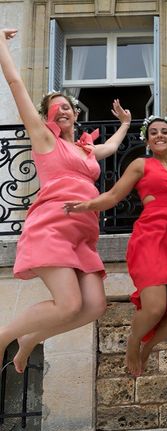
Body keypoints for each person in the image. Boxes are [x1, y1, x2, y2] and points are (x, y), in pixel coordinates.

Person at [0, 28, 132, 373]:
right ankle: (5, 336)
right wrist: (1, 45)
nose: (62, 112)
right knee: (69, 304)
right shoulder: (45, 140)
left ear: (75, 114)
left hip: (83, 235)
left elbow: (112, 148)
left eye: (67, 108)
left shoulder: (85, 149)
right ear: (47, 116)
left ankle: (31, 339)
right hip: (53, 228)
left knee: (93, 306)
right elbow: (16, 86)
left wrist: (125, 124)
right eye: (54, 109)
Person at [64, 104, 167, 376]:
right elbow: (113, 196)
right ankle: (134, 342)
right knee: (155, 307)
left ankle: (150, 346)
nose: (159, 136)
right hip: (151, 239)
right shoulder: (141, 165)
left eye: (165, 132)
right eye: (153, 132)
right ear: (147, 139)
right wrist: (86, 205)